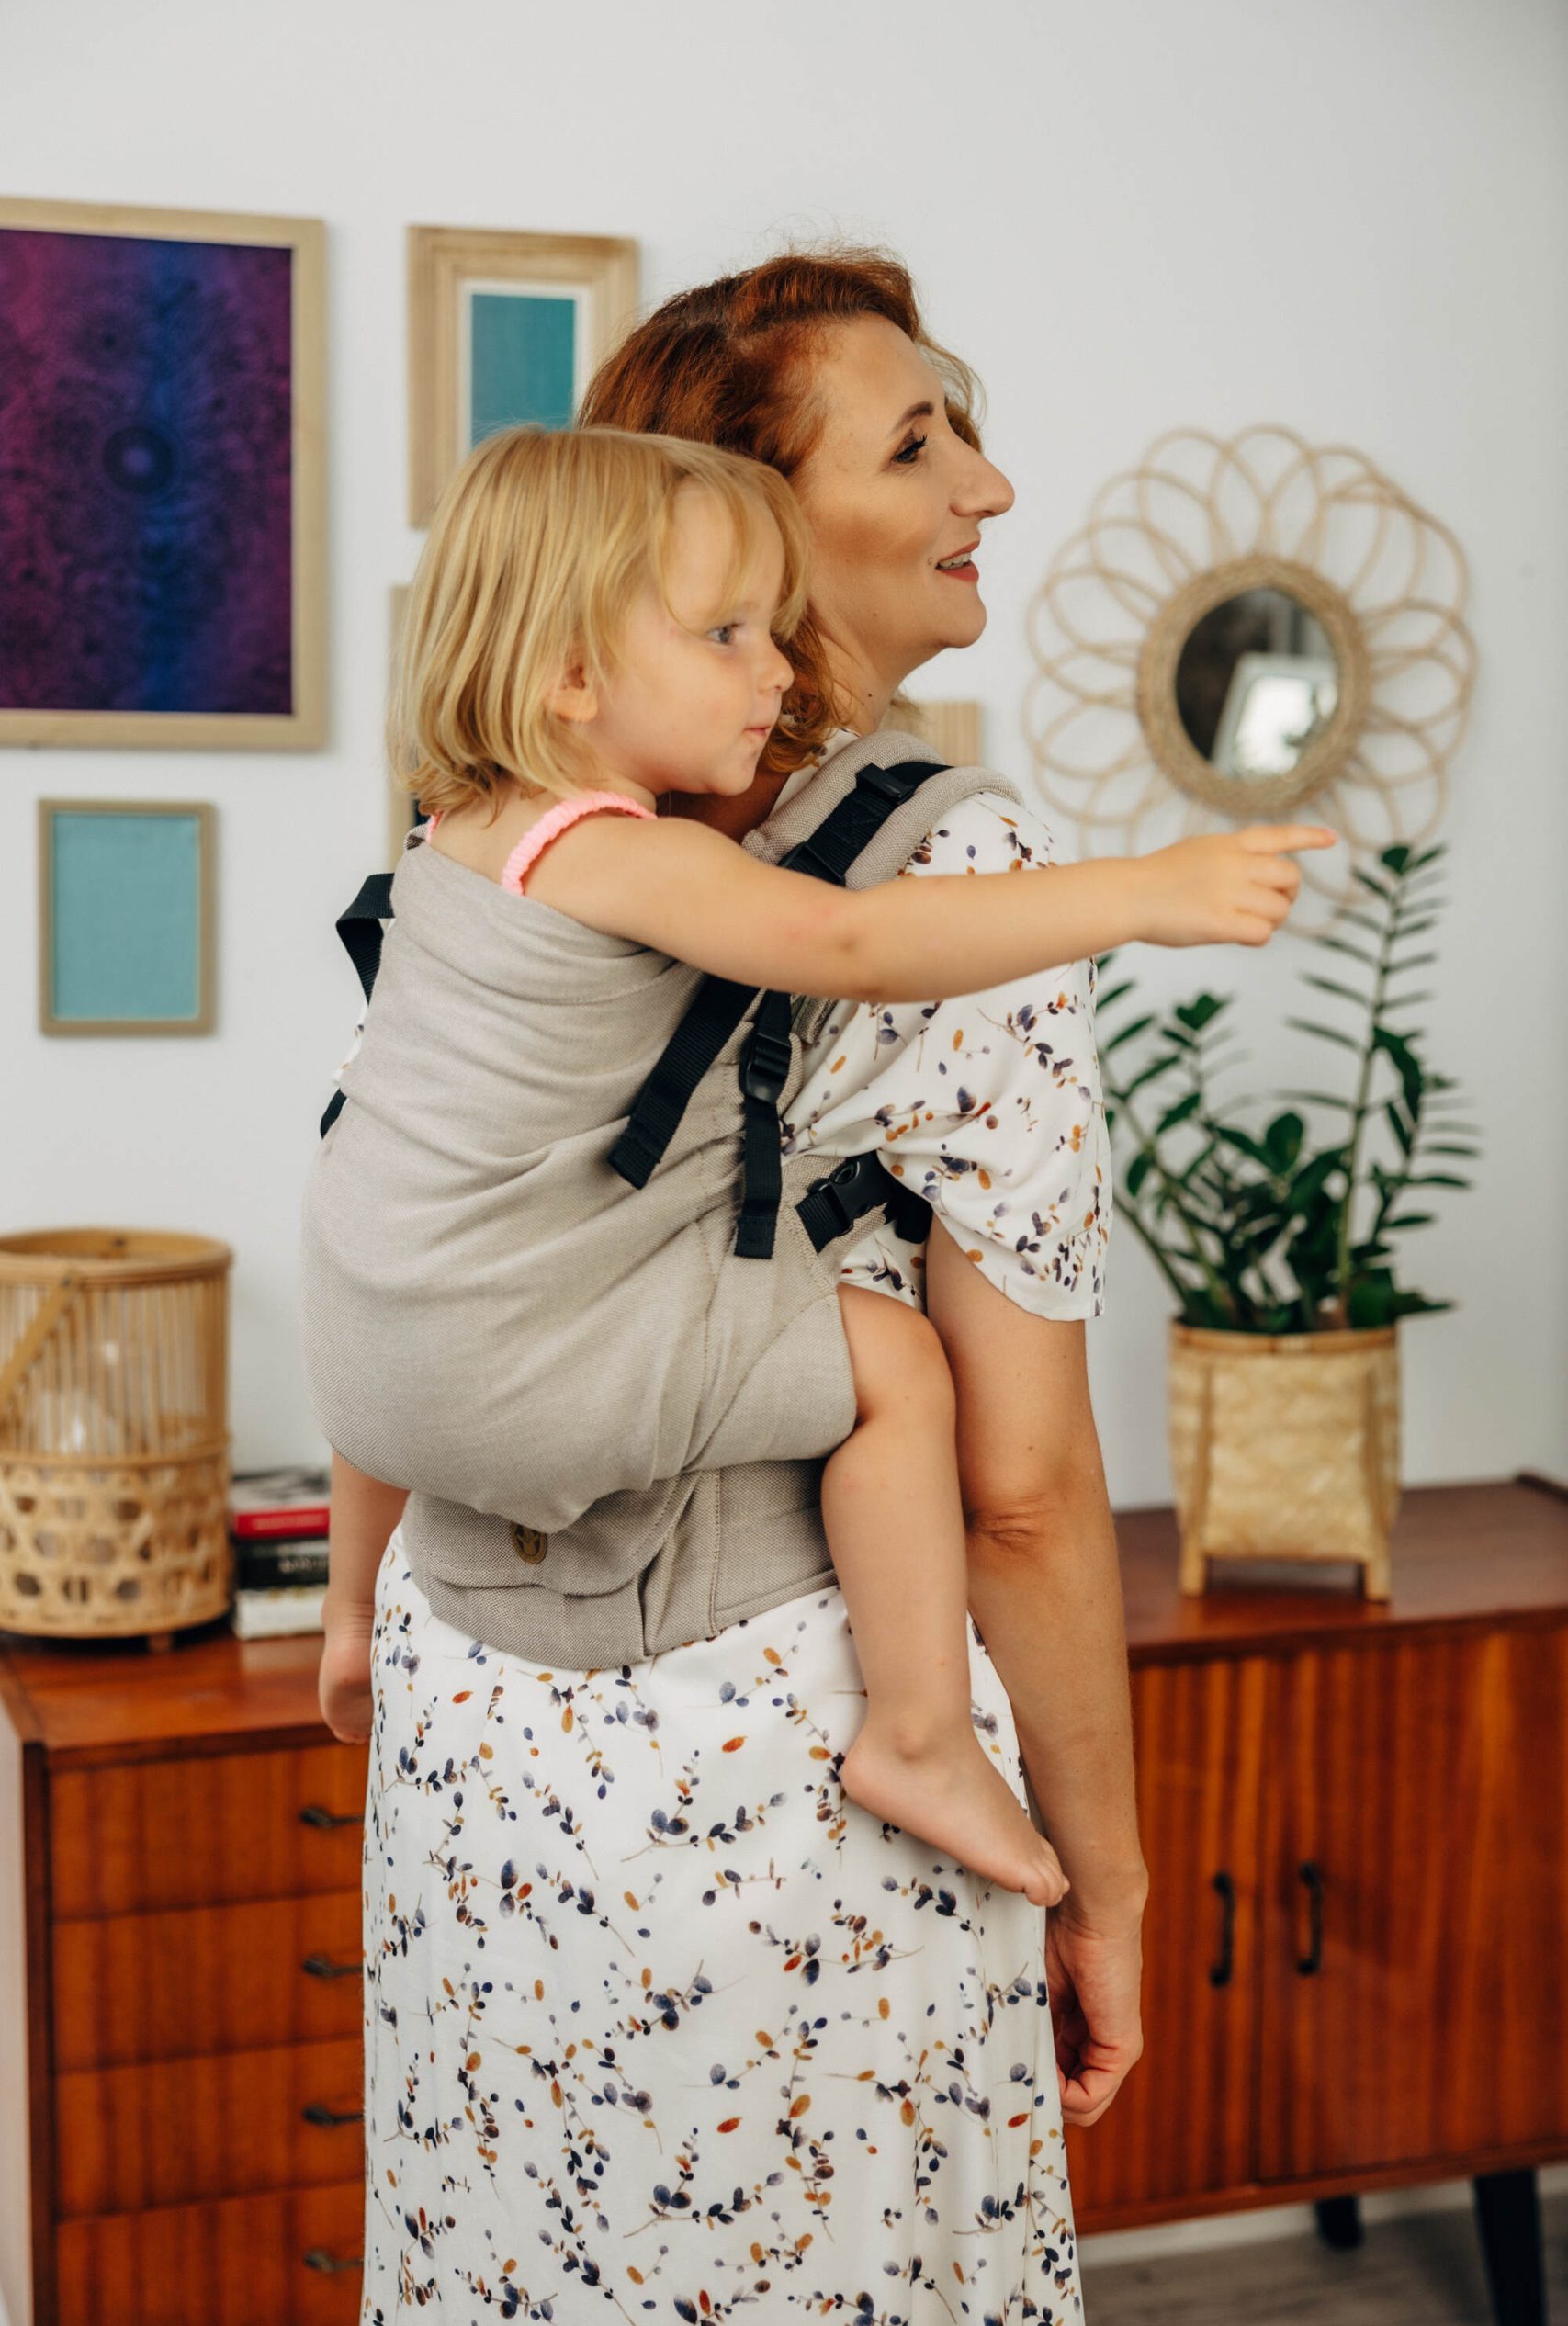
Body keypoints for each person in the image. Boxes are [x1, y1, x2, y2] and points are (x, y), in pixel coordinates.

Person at [324, 250, 1329, 2321]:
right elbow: (1019, 1489)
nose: (990, 484)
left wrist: (347, 1606)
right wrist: (1108, 1880)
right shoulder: (950, 870)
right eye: (915, 440)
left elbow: (398, 1231)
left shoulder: (485, 826)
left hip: (470, 1732)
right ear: (745, 517)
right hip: (772, 1764)